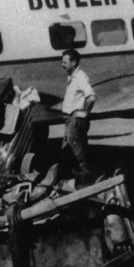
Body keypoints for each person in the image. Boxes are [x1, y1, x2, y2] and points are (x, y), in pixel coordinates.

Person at [59, 48, 95, 176]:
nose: (62, 65)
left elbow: (91, 97)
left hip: (76, 120)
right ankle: (74, 176)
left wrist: (85, 112)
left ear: (73, 63)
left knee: (78, 153)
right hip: (70, 120)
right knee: (69, 150)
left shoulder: (80, 77)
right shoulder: (72, 77)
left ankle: (88, 179)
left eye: (64, 62)